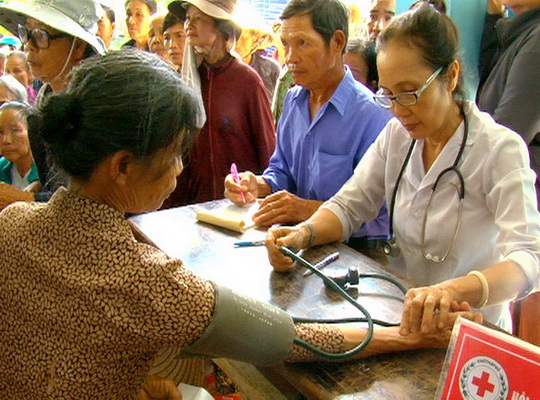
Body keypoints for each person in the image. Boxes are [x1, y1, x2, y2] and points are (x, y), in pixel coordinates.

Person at [0, 49, 481, 399]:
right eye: (174, 156)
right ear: (122, 166)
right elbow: (287, 337)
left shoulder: (13, 224)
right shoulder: (142, 279)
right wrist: (404, 335)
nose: (181, 170)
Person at [265, 4, 540, 334]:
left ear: (451, 75)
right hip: (403, 316)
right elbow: (349, 205)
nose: (399, 109)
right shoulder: (398, 136)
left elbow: (531, 261)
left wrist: (452, 290)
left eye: (410, 92)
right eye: (388, 94)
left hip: (471, 327)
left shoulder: (498, 150)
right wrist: (303, 234)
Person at [225, 0, 391, 261]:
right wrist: (256, 184)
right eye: (286, 45)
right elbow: (282, 172)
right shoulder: (293, 101)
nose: (290, 58)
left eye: (303, 43)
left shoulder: (373, 115)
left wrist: (307, 210)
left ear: (337, 43)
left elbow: (381, 219)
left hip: (353, 258)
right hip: (295, 247)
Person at [477, 0, 540, 349]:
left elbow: (510, 129)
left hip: (534, 200)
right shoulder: (526, 27)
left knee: (528, 306)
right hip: (519, 191)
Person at [163, 0, 275, 206]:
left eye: (199, 19)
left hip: (239, 205)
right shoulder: (189, 79)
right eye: (188, 18)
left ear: (221, 27)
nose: (189, 25)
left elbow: (267, 150)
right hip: (196, 206)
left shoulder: (247, 81)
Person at [0, 0, 106, 208]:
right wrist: (38, 187)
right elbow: (58, 182)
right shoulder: (46, 96)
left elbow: (97, 201)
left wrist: (29, 200)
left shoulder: (97, 109)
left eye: (40, 36)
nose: (28, 46)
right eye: (26, 33)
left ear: (79, 46)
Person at [0, 101, 38, 191]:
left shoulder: (48, 172)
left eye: (15, 131)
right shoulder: (2, 167)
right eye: (0, 132)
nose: (6, 140)